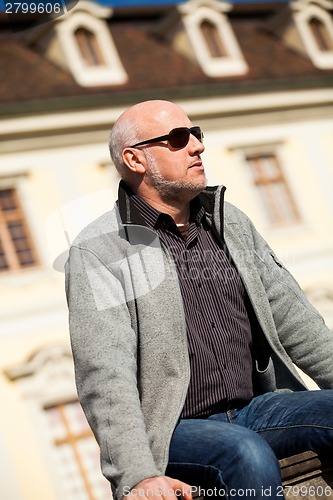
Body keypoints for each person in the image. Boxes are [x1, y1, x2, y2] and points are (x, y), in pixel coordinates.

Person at [65, 100, 333, 500]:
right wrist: (136, 474)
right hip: (173, 430)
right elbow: (105, 374)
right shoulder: (99, 250)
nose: (197, 146)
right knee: (245, 454)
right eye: (177, 138)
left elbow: (295, 318)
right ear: (135, 159)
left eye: (196, 133)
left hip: (256, 409)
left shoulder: (230, 221)